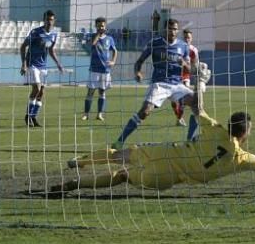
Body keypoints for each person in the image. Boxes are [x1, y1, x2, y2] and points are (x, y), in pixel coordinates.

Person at [44, 89, 255, 196]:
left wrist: (200, 81)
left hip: (163, 153)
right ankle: (75, 186)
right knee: (121, 177)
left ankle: (78, 163)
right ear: (244, 134)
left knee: (120, 155)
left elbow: (198, 108)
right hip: (165, 178)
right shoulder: (243, 159)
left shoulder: (215, 129)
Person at [113, 17, 191, 148]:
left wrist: (184, 64)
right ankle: (119, 141)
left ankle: (190, 142)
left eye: (175, 29)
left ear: (178, 31)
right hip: (159, 84)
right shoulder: (155, 43)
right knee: (145, 111)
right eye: (170, 28)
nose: (172, 31)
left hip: (177, 85)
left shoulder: (183, 46)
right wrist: (137, 72)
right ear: (164, 29)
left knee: (197, 103)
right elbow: (139, 61)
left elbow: (189, 68)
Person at [20, 10, 66, 127]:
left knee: (41, 93)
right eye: (47, 19)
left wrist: (58, 64)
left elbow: (50, 50)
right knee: (37, 88)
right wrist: (23, 64)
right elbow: (23, 47)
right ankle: (27, 116)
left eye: (51, 19)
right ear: (44, 20)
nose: (49, 22)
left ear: (54, 20)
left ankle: (34, 117)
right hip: (32, 64)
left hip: (43, 66)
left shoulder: (54, 34)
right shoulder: (36, 32)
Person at [82, 16, 118, 122]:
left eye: (102, 25)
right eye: (99, 26)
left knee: (102, 92)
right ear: (96, 26)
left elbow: (115, 50)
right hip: (94, 70)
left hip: (105, 70)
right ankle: (86, 114)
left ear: (105, 26)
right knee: (90, 92)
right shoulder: (93, 36)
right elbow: (92, 44)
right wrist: (98, 34)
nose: (101, 27)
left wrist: (113, 61)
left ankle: (99, 114)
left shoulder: (109, 39)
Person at [171, 28, 199, 126]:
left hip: (186, 76)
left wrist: (196, 75)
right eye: (185, 37)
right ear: (183, 37)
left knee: (183, 99)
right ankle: (179, 117)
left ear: (191, 38)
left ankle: (180, 119)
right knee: (174, 101)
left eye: (189, 37)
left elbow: (195, 65)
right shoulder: (177, 47)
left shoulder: (194, 50)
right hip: (174, 76)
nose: (187, 39)